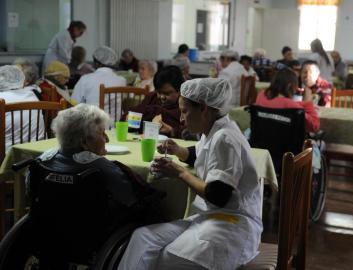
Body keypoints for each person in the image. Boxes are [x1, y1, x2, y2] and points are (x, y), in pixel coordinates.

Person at [118, 78, 262, 270]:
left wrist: (179, 172)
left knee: (168, 257)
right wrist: (178, 150)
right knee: (142, 238)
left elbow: (218, 194)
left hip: (233, 222)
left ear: (203, 109)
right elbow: (200, 154)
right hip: (212, 216)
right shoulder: (213, 130)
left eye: (185, 111)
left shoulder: (225, 139)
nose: (181, 119)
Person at [34, 103, 163, 268]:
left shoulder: (41, 162)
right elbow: (131, 201)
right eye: (103, 133)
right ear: (85, 142)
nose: (107, 139)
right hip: (90, 236)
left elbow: (33, 195)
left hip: (48, 232)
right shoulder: (102, 168)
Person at [126, 65, 185, 138]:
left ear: (179, 90)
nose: (162, 97)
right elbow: (133, 114)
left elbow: (195, 132)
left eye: (167, 93)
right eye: (159, 92)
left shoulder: (185, 104)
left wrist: (172, 131)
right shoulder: (152, 97)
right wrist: (129, 121)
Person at [256, 68, 320, 133]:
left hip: (261, 138)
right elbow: (314, 126)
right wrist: (308, 102)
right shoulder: (291, 106)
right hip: (283, 141)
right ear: (289, 86)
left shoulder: (261, 95)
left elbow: (279, 103)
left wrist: (298, 104)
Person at [71, 46, 125, 118]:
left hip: (91, 125)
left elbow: (74, 103)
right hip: (115, 126)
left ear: (96, 63)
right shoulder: (122, 81)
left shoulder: (85, 79)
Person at [0, 65, 44, 151]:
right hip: (38, 149)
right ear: (21, 79)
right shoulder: (32, 95)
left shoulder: (1, 98)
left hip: (8, 152)